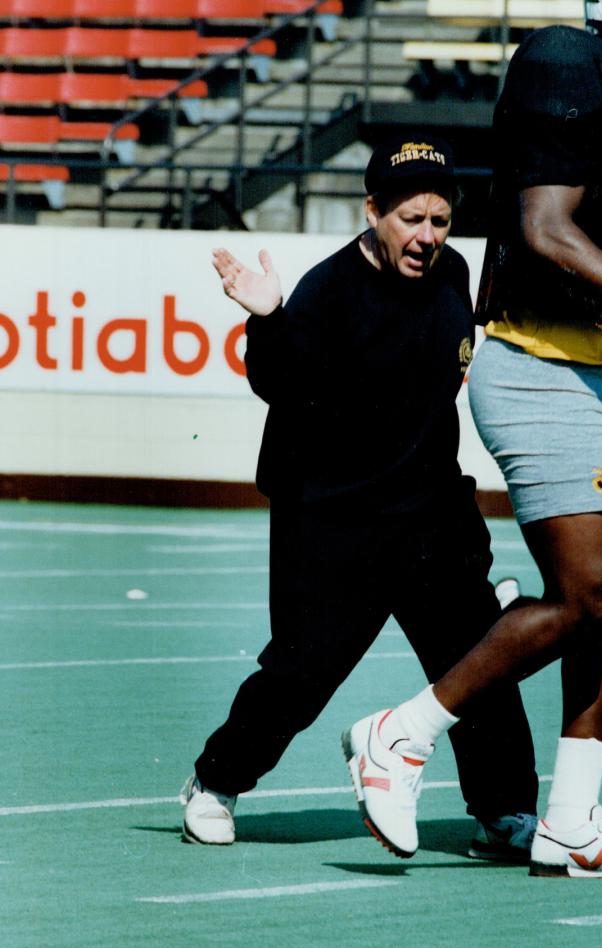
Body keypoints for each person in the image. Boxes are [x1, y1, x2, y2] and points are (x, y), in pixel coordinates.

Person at [343, 0, 602, 878]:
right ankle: (399, 734)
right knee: (579, 595)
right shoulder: (569, 63)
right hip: (539, 368)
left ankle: (572, 821)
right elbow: (543, 234)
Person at [180, 133, 539, 857]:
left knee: (477, 662)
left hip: (431, 515)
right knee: (300, 671)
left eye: (439, 219)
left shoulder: (453, 276)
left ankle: (502, 811)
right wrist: (267, 315)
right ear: (373, 210)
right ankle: (214, 783)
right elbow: (276, 383)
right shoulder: (327, 290)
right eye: (411, 218)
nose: (426, 235)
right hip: (331, 518)